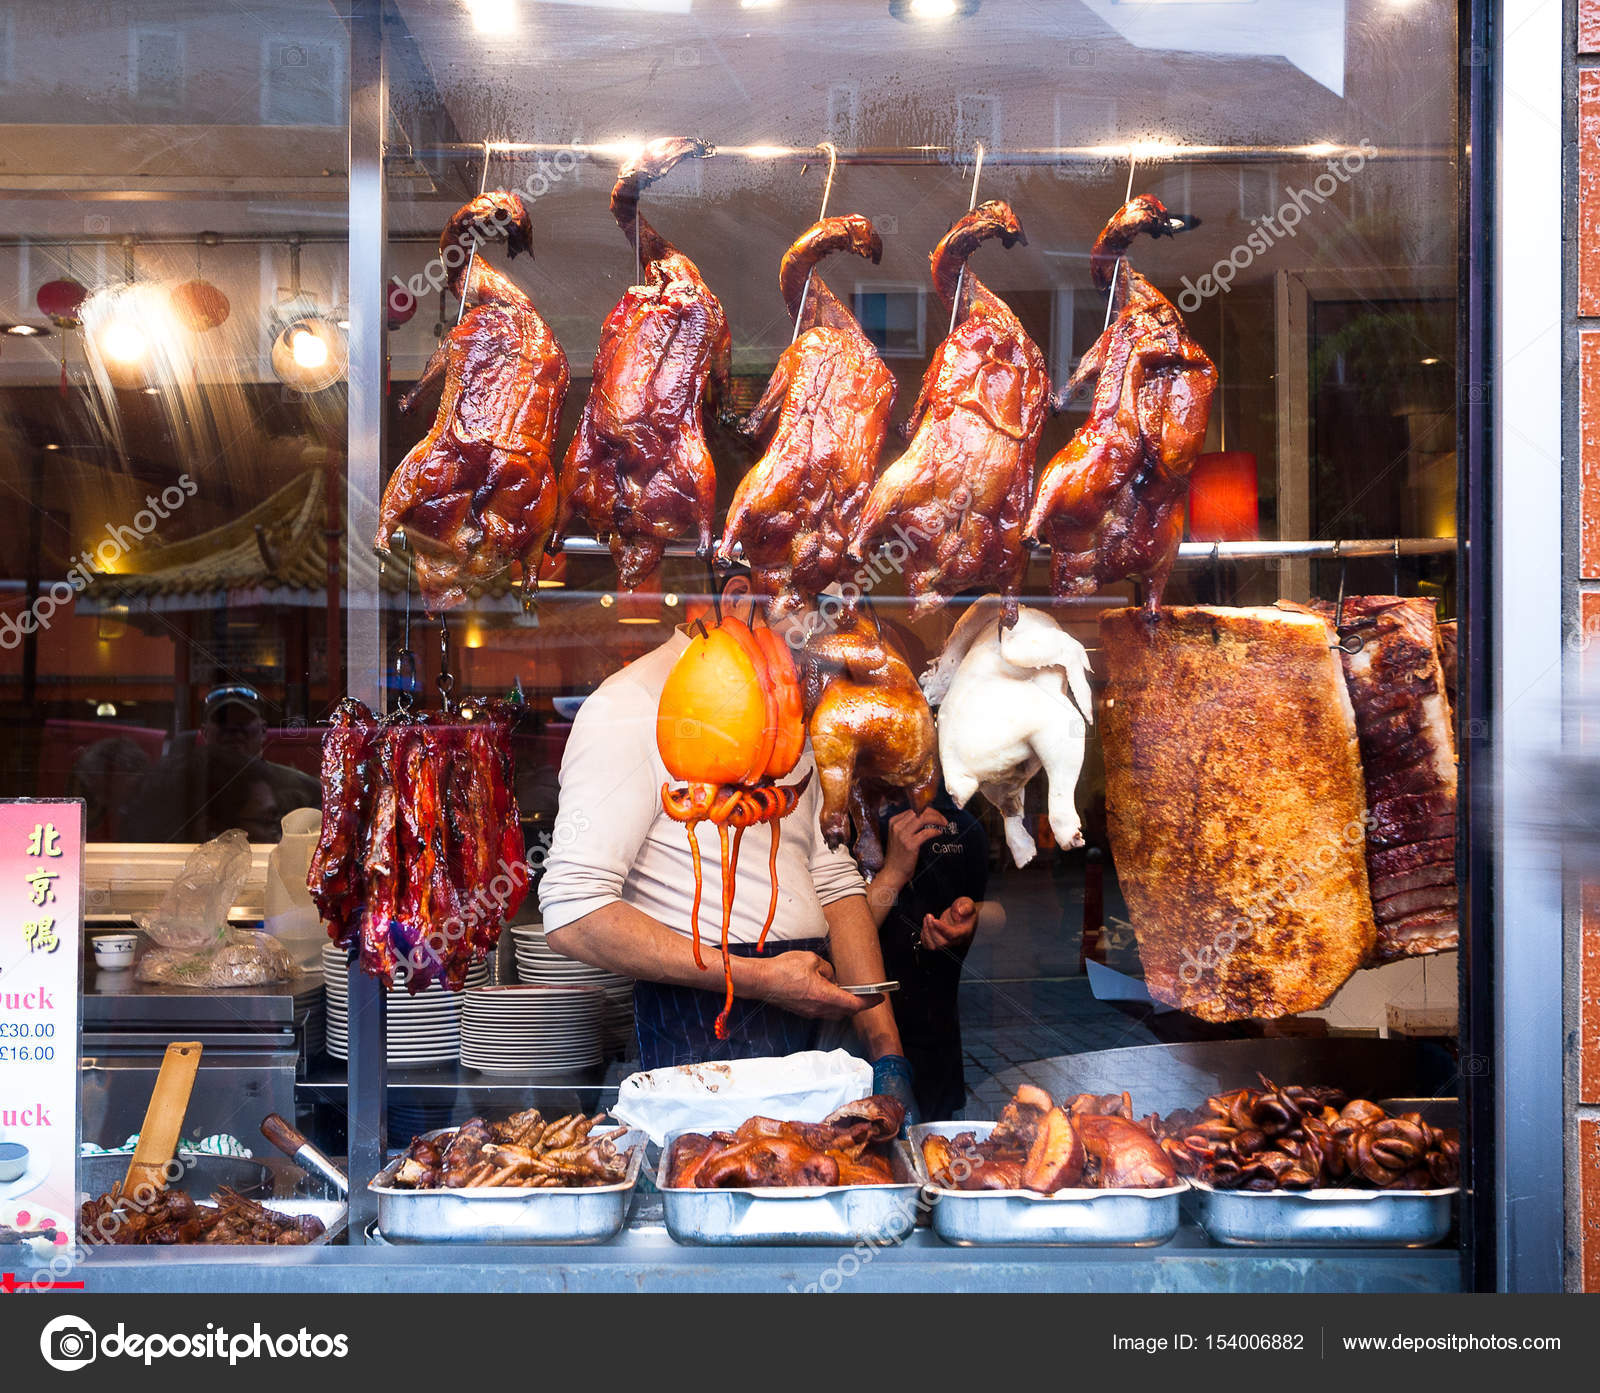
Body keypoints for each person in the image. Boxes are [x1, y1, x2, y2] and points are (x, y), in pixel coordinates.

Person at [537, 624, 916, 1115]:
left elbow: (834, 878)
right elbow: (574, 913)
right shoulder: (631, 704)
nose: (816, 625)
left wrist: (887, 1053)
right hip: (702, 1022)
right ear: (735, 589)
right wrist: (762, 979)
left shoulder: (789, 699)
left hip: (815, 1006)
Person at [865, 792, 1001, 1121]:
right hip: (862, 1039)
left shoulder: (965, 828)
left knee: (936, 1153)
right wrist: (894, 872)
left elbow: (1000, 910)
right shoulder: (851, 824)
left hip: (936, 1040)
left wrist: (971, 918)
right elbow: (837, 941)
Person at [138, 685, 320, 843]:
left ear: (263, 731)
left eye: (243, 721)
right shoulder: (178, 788)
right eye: (222, 721)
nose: (233, 730)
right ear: (205, 732)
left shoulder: (302, 790)